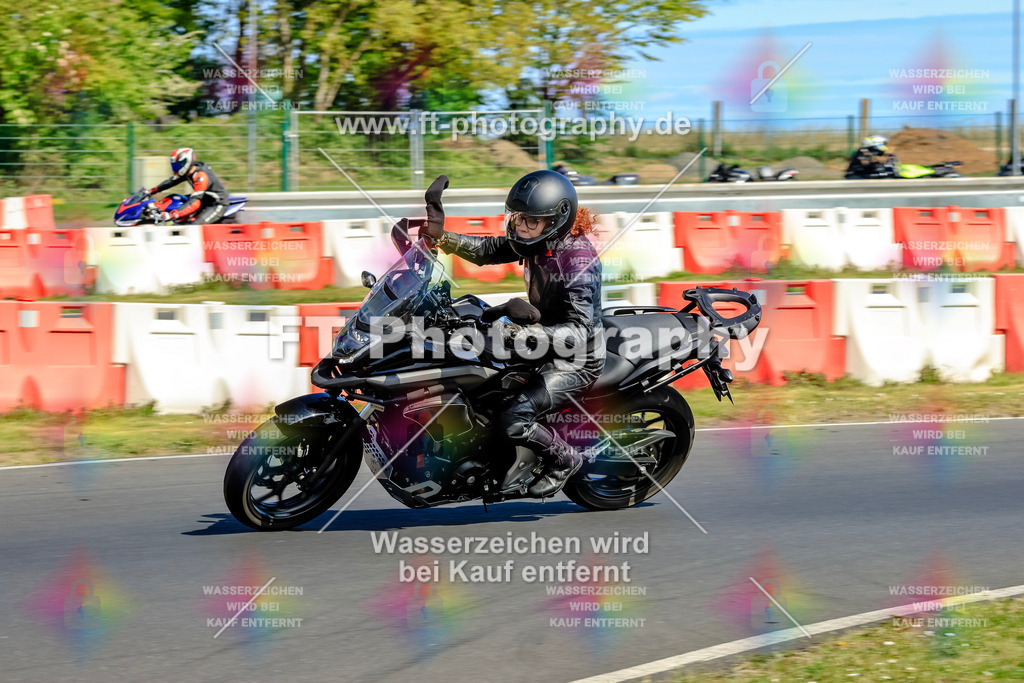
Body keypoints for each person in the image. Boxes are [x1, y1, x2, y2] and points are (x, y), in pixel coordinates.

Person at [419, 171, 604, 497]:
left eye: (529, 221)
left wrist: (522, 336)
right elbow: (489, 249)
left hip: (576, 358)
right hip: (541, 335)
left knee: (514, 415)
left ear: (554, 220)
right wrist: (441, 237)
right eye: (517, 217)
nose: (519, 226)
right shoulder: (540, 238)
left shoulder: (578, 260)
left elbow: (581, 330)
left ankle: (564, 459)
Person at [145, 148, 229, 224]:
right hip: (203, 199)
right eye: (174, 166)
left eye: (178, 165)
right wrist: (150, 191)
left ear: (187, 162)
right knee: (175, 202)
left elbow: (195, 203)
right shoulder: (187, 171)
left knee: (194, 226)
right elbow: (170, 182)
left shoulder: (201, 176)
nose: (176, 168)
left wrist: (172, 215)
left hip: (216, 204)